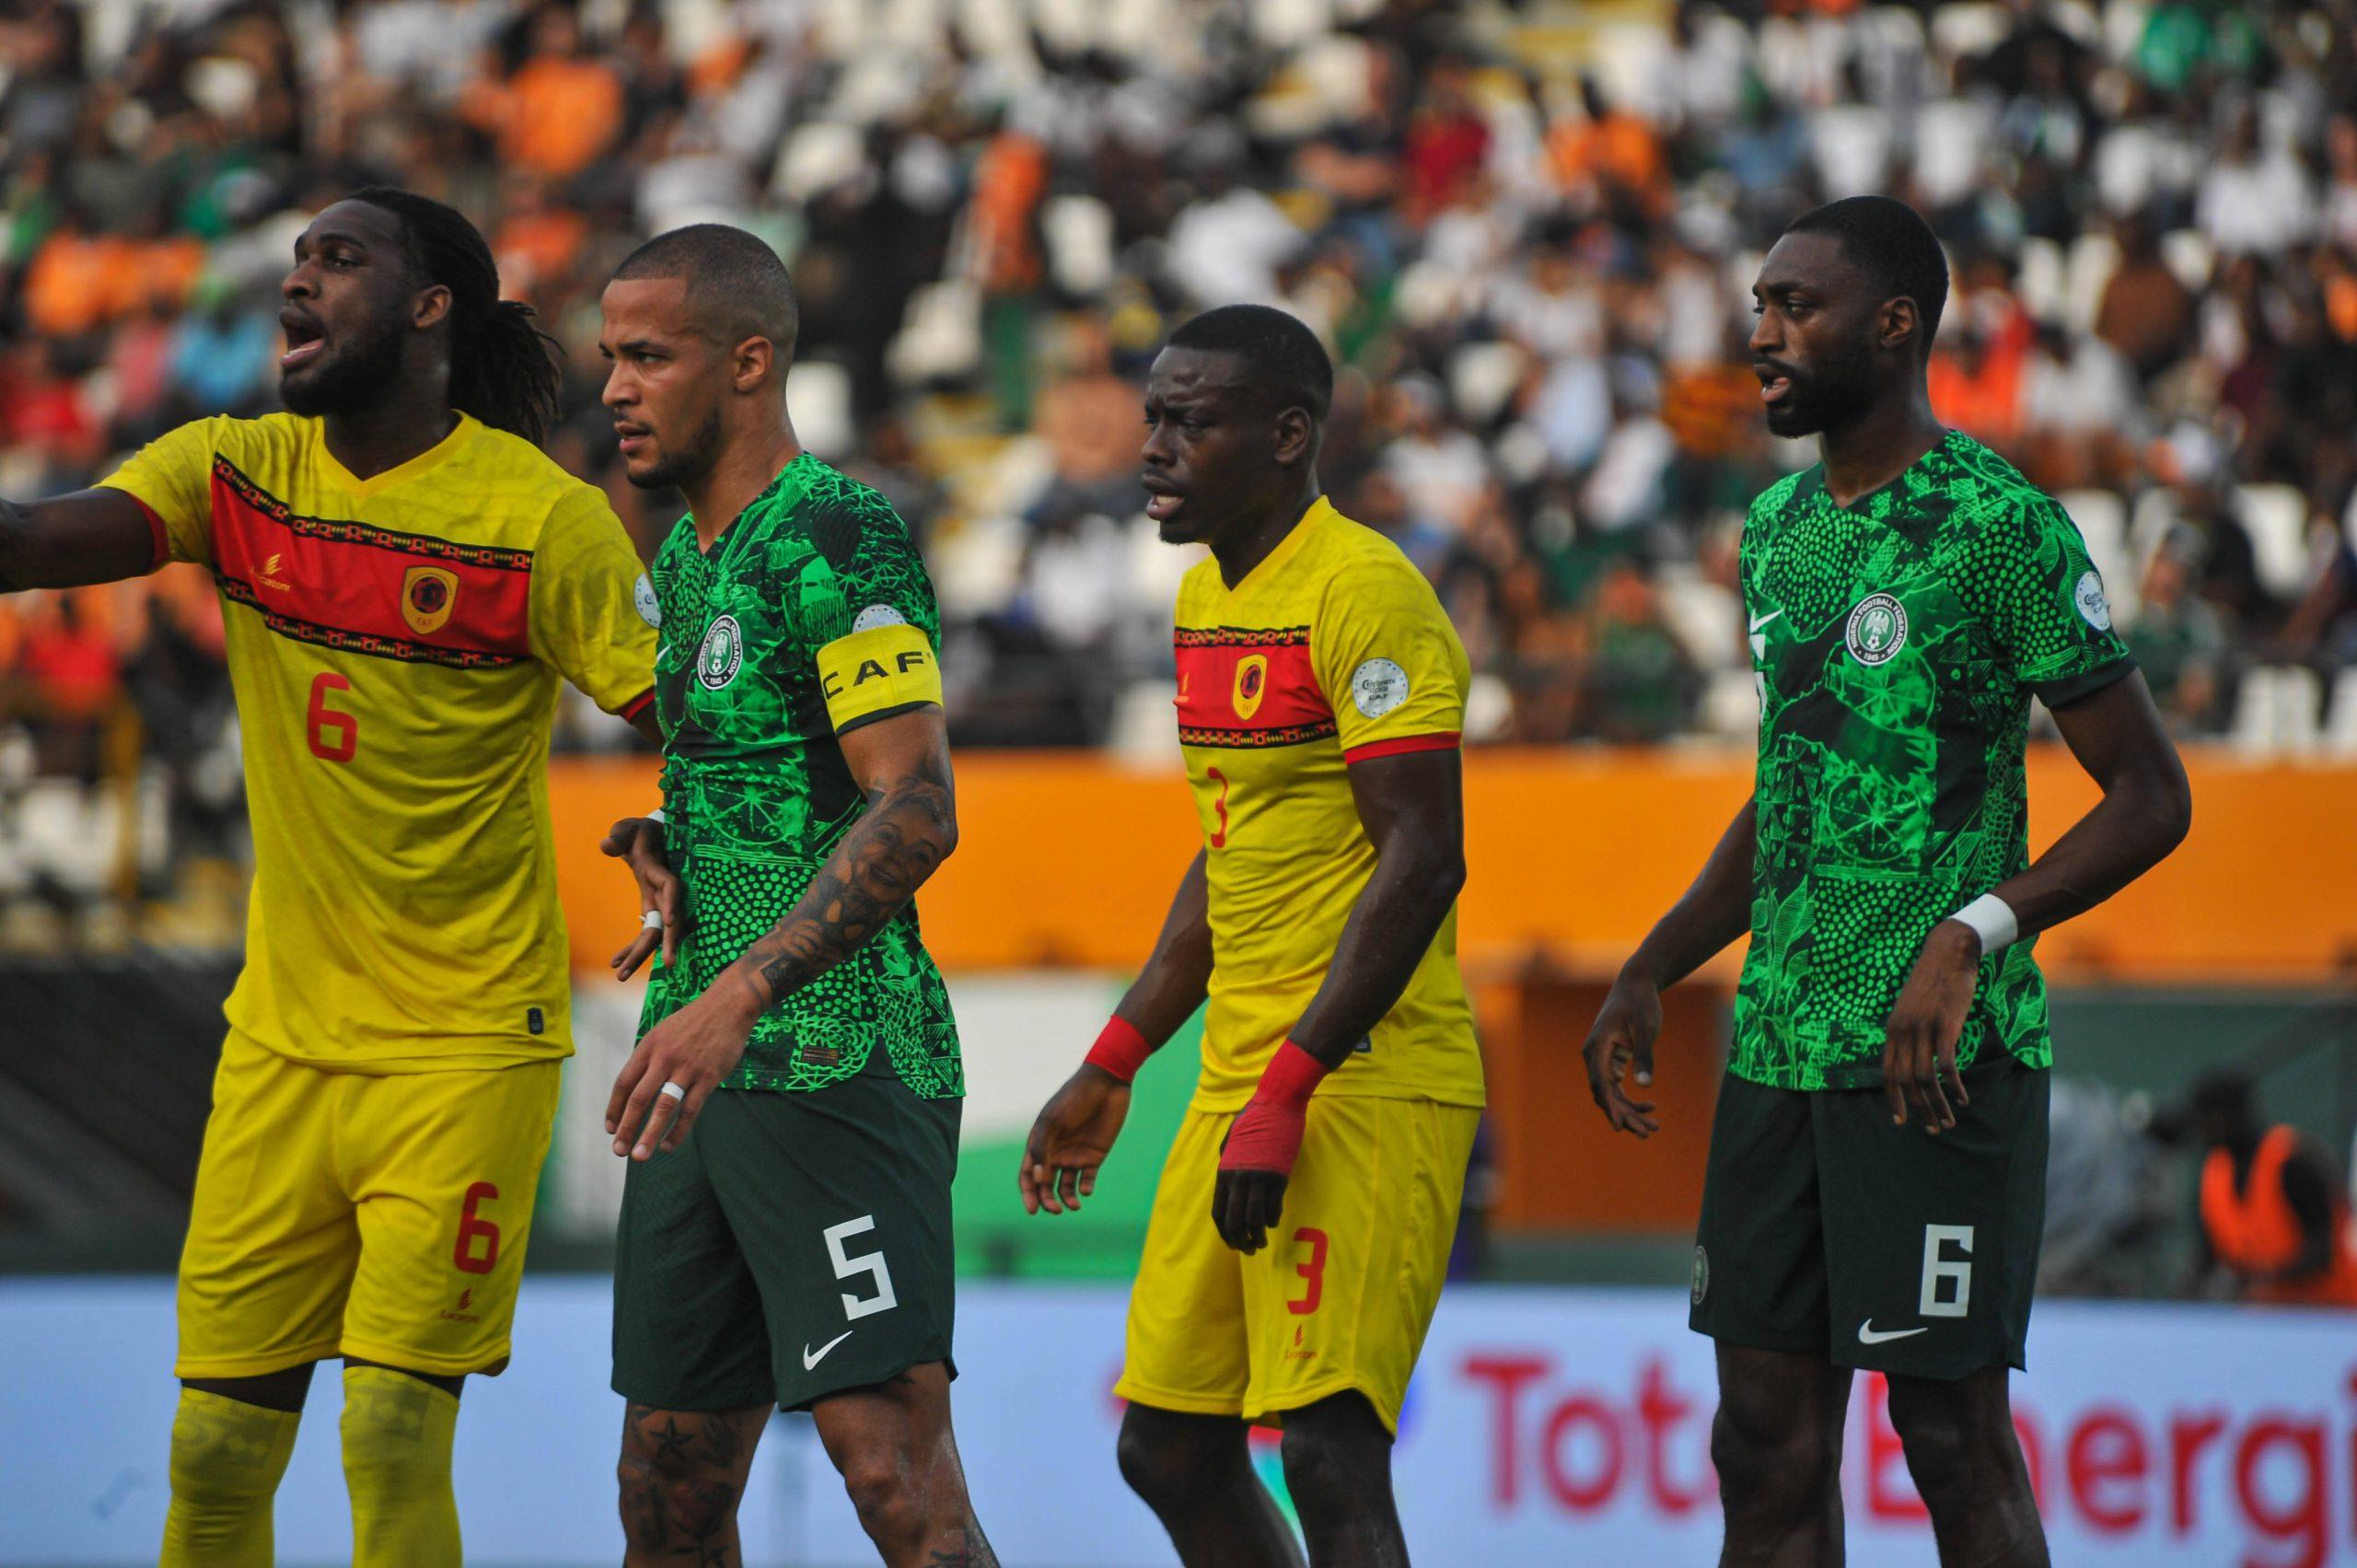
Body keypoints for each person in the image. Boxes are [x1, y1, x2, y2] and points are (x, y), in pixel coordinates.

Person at [0, 189, 662, 1564]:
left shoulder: (543, 522)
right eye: (296, 260)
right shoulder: (235, 471)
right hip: (281, 1045)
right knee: (216, 1452)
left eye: (338, 259)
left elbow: (689, 720)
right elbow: (37, 541)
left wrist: (686, 835)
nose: (298, 281)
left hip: (467, 1047)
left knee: (389, 1432)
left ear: (432, 308)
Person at [1578, 196, 2192, 1567]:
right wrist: (1651, 964)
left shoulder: (1997, 522)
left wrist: (1977, 927)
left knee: (1951, 1443)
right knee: (1763, 1445)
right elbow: (1794, 789)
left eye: (1797, 304)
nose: (1762, 332)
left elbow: (2154, 794)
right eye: (1759, 303)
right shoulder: (1776, 529)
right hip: (1778, 1044)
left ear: (1897, 324)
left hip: (1936, 1061)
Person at [1018, 304, 1484, 1568]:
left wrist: (1292, 1082)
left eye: (1191, 421)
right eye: (1154, 417)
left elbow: (1424, 856)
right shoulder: (1207, 601)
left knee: (1330, 1448)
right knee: (1163, 1443)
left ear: (1288, 434)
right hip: (1238, 1072)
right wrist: (1114, 1059)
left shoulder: (1365, 590)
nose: (1155, 446)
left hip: (1364, 1073)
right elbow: (1230, 862)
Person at [592, 225, 993, 1568]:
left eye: (648, 355)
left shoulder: (836, 530)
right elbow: (781, 771)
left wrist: (738, 995)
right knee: (669, 1478)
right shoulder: (695, 557)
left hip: (837, 1053)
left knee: (890, 1470)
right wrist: (669, 838)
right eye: (609, 358)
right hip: (702, 1071)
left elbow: (918, 805)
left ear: (749, 360)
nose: (614, 388)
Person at [2189, 1070, 2357, 1307]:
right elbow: (2209, 1256)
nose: (2201, 1129)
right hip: (2269, 1320)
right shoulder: (2215, 1171)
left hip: (2332, 1315)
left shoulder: (2293, 1160)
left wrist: (2262, 1276)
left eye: (2208, 1119)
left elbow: (2324, 1251)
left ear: (2230, 1116)